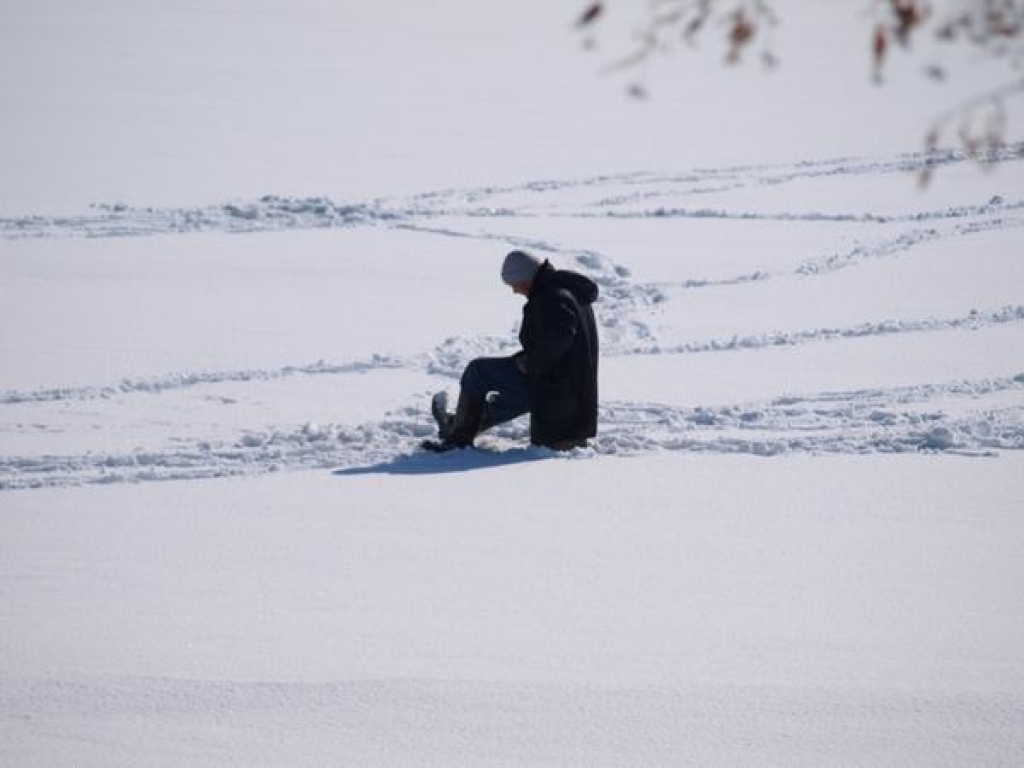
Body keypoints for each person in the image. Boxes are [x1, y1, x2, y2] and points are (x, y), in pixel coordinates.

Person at [423, 249, 599, 452]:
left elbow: (560, 339)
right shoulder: (567, 290)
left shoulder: (553, 297)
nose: (515, 290)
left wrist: (529, 364)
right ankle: (461, 424)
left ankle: (457, 440)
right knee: (517, 394)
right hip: (567, 388)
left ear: (526, 277)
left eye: (514, 284)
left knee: (478, 371)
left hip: (555, 386)